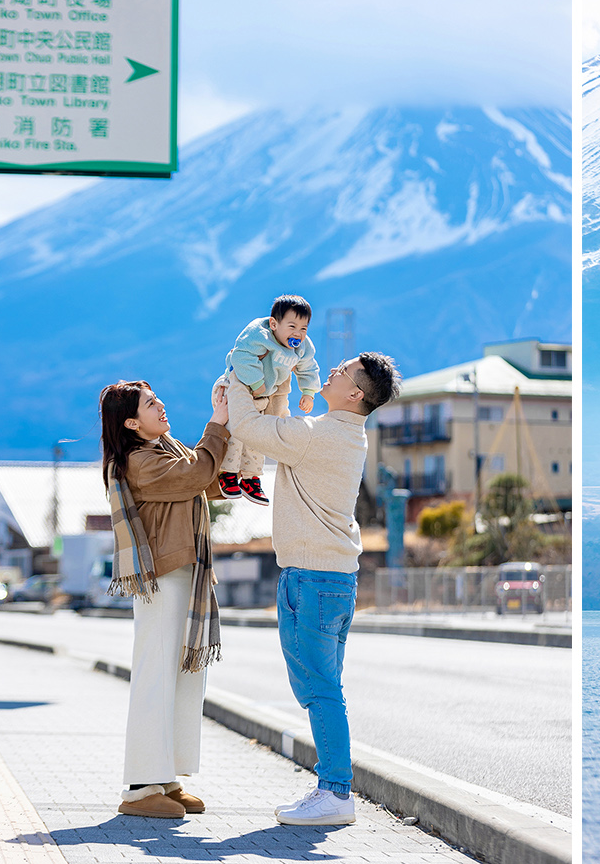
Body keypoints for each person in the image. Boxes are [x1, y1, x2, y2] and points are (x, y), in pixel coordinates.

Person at [218, 353, 400, 826]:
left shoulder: (316, 436)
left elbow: (246, 425)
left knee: (319, 692)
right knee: (326, 688)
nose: (332, 371)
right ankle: (331, 788)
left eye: (341, 372)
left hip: (311, 579)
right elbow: (274, 424)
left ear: (356, 394)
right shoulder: (339, 434)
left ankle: (336, 793)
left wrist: (240, 372)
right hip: (333, 578)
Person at [100, 380, 229, 819]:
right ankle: (139, 788)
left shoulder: (164, 451)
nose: (162, 406)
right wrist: (218, 424)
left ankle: (165, 778)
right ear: (132, 422)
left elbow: (203, 479)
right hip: (163, 576)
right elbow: (196, 476)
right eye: (151, 404)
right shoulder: (139, 461)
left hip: (183, 573)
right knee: (157, 674)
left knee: (181, 678)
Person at [218, 294, 323, 506]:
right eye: (292, 326)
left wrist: (308, 392)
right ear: (274, 324)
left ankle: (251, 477)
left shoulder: (302, 347)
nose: (298, 334)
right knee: (237, 430)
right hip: (237, 388)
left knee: (261, 433)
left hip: (265, 394)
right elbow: (241, 356)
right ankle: (227, 472)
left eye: (304, 329)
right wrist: (257, 384)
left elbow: (308, 367)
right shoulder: (259, 334)